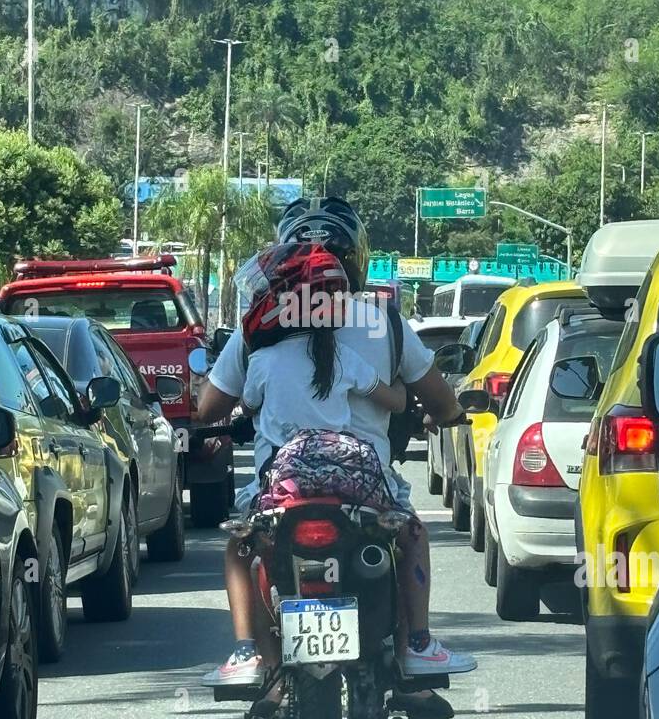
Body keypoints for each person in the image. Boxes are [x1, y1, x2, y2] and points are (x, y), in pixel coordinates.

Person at [199, 196, 477, 689]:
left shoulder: (259, 338)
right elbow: (429, 398)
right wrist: (451, 416)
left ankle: (248, 652)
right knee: (410, 533)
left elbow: (210, 410)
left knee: (242, 543)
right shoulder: (382, 322)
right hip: (364, 483)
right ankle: (417, 645)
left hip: (277, 486)